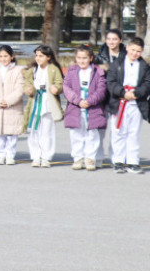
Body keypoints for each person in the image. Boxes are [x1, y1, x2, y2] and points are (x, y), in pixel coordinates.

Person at [106, 37, 150, 174]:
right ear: (127, 48)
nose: (135, 53)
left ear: (141, 52)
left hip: (136, 102)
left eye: (138, 51)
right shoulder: (117, 64)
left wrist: (136, 93)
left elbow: (148, 83)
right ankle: (118, 160)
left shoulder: (144, 66)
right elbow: (111, 81)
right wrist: (123, 93)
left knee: (133, 132)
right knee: (118, 131)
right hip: (120, 101)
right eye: (133, 50)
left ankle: (133, 161)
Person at [63, 45, 107, 172]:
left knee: (92, 135)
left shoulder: (98, 72)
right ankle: (78, 158)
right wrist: (78, 101)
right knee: (76, 134)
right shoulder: (71, 72)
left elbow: (101, 90)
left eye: (85, 58)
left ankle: (90, 158)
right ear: (75, 58)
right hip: (75, 108)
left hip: (92, 109)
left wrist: (89, 101)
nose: (82, 61)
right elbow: (67, 88)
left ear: (91, 58)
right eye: (79, 58)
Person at [23, 45, 64, 168]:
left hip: (47, 102)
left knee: (47, 131)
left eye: (41, 56)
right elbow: (27, 83)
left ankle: (46, 157)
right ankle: (35, 156)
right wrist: (28, 89)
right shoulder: (32, 70)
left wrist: (56, 88)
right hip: (35, 101)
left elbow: (59, 83)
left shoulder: (53, 69)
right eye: (37, 56)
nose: (38, 58)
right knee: (34, 131)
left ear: (48, 57)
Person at [0, 45, 25, 165]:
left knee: (11, 133)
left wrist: (7, 101)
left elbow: (19, 90)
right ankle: (0, 155)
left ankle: (10, 155)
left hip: (12, 107)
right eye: (1, 56)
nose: (3, 59)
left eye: (6, 56)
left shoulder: (18, 71)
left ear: (12, 56)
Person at [94, 29, 126, 168]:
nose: (111, 42)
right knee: (99, 129)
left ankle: (116, 158)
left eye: (114, 39)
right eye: (109, 39)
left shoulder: (127, 56)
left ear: (120, 40)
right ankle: (97, 158)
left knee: (117, 130)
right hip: (102, 97)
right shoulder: (98, 57)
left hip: (119, 97)